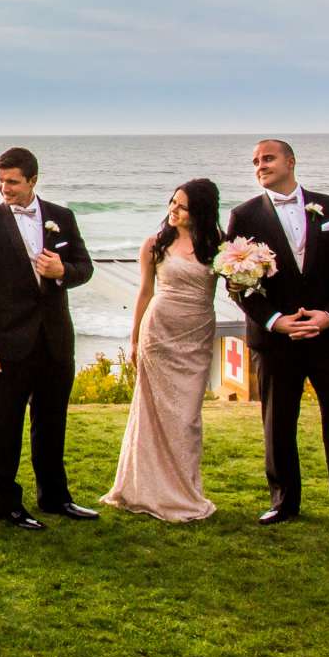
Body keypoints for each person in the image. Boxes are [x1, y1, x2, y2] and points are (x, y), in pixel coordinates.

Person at [224, 140, 329, 544]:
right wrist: (276, 321)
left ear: (290, 161)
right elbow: (236, 281)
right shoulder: (243, 215)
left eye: (267, 158)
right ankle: (284, 502)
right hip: (277, 341)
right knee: (278, 424)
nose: (260, 166)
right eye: (255, 162)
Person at [0, 147, 96, 530]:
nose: (5, 188)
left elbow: (84, 267)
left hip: (55, 341)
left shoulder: (62, 217)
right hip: (7, 344)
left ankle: (55, 498)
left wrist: (61, 270)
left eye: (13, 182)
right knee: (5, 427)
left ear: (33, 180)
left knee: (52, 423)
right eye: (0, 181)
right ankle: (8, 506)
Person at [102, 180, 223, 523]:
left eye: (182, 206)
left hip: (196, 333)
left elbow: (237, 284)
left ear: (199, 210)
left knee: (186, 418)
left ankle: (184, 490)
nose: (173, 209)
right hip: (160, 331)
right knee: (151, 413)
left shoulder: (218, 247)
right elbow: (144, 293)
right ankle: (144, 488)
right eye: (172, 202)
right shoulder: (155, 245)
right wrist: (136, 337)